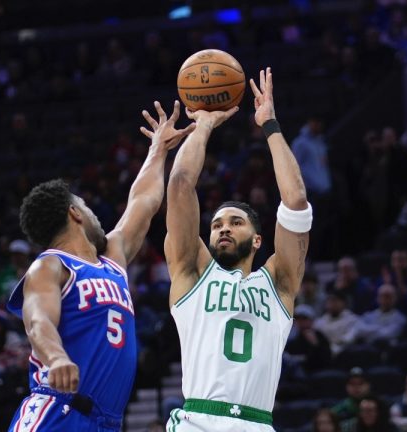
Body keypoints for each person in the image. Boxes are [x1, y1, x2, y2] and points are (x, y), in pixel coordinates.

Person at [6, 100, 196, 431]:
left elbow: (144, 202)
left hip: (105, 422)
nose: (93, 213)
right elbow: (38, 323)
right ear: (75, 213)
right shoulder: (50, 266)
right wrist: (57, 358)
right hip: (57, 412)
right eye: (86, 206)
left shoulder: (112, 261)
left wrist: (158, 149)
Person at [164, 68, 311, 431]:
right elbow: (181, 185)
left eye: (235, 222)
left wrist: (270, 124)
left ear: (258, 240)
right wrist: (203, 126)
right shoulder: (191, 273)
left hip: (257, 424)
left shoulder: (278, 283)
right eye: (216, 225)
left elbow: (295, 200)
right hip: (197, 421)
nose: (224, 228)